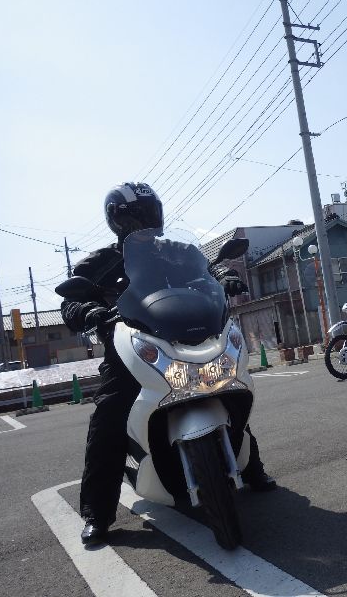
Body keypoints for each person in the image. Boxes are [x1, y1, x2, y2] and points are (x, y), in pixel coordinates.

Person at [61, 182, 276, 546]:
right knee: (109, 416)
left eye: (150, 212)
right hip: (134, 348)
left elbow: (207, 273)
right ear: (118, 220)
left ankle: (252, 468)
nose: (146, 220)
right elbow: (71, 301)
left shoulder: (179, 251)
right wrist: (86, 310)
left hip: (192, 338)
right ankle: (97, 513)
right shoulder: (101, 262)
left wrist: (225, 278)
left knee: (226, 390)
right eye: (137, 215)